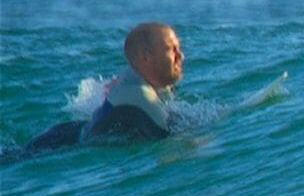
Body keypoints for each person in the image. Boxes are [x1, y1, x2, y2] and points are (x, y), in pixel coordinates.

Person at [18, 21, 182, 153]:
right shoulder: (139, 95)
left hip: (71, 130)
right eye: (171, 49)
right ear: (146, 58)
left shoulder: (138, 79)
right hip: (56, 145)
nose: (180, 55)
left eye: (179, 48)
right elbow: (169, 139)